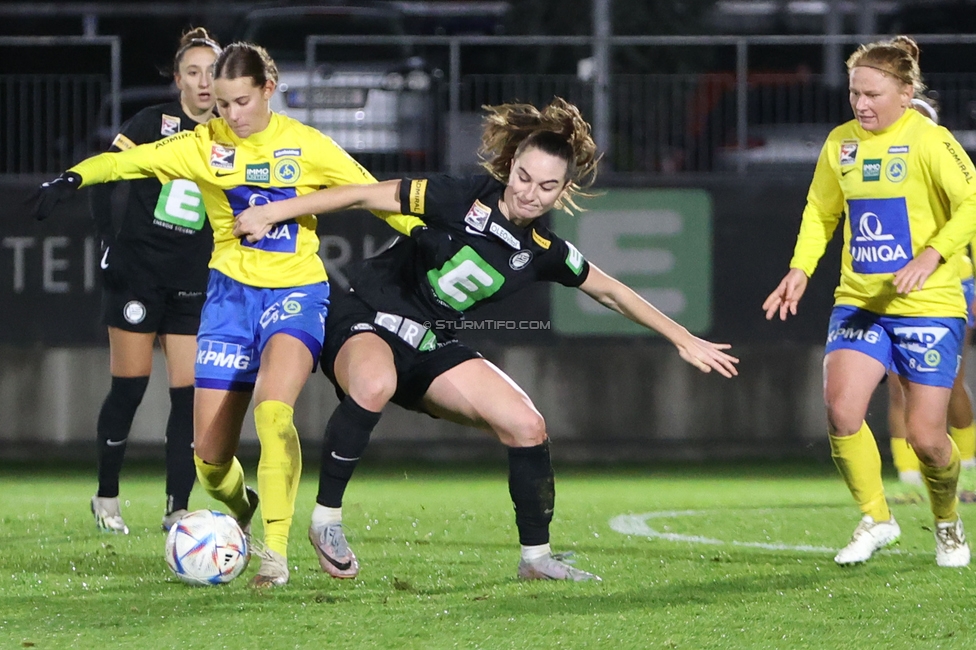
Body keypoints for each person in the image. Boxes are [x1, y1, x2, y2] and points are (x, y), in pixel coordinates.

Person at [232, 97, 740, 582]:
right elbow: (363, 194)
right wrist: (271, 213)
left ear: (562, 191)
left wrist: (682, 338)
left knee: (527, 424)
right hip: (366, 312)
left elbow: (610, 290)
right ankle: (326, 520)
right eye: (523, 177)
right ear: (511, 165)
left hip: (430, 343)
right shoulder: (460, 196)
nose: (528, 193)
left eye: (546, 186)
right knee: (374, 381)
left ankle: (536, 558)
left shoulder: (544, 249)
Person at [31, 42, 424, 587]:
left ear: (269, 88)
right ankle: (240, 507)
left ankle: (276, 554)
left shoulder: (305, 144)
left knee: (273, 412)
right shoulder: (201, 146)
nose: (232, 116)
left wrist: (424, 236)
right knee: (210, 464)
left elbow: (371, 193)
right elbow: (130, 161)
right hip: (228, 300)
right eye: (221, 104)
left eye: (241, 101)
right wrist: (73, 178)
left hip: (295, 295)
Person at [763, 36, 976, 567]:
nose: (862, 104)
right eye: (855, 93)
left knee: (928, 440)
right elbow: (820, 212)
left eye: (873, 94)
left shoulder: (930, 140)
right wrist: (800, 269)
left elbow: (972, 201)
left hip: (929, 305)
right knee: (841, 408)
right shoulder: (841, 143)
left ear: (905, 93)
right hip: (860, 302)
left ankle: (948, 523)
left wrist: (933, 254)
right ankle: (877, 518)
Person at [80, 28, 221, 536]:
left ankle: (177, 508)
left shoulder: (232, 132)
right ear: (177, 78)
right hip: (138, 274)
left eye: (212, 71)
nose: (204, 82)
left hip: (191, 280)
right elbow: (106, 173)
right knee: (130, 388)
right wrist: (106, 240)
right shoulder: (150, 123)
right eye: (193, 72)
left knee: (188, 396)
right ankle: (107, 497)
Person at [885, 97, 976, 506]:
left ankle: (968, 465)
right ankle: (909, 480)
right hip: (898, 288)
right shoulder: (881, 175)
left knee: (949, 382)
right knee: (897, 385)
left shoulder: (949, 172)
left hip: (951, 287)